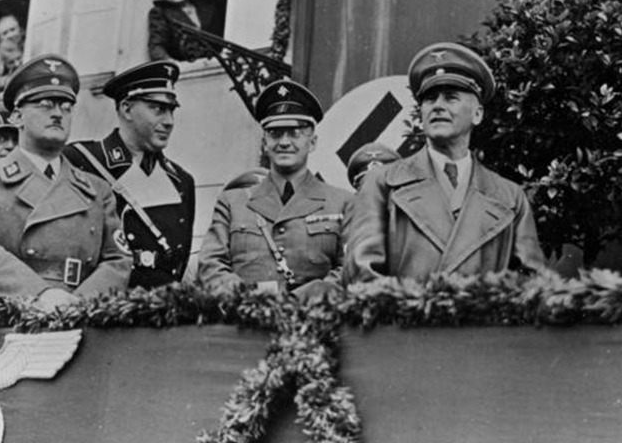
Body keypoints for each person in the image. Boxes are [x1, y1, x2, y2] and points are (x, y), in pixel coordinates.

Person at [344, 42, 546, 284]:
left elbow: (530, 283)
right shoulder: (382, 183)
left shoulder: (509, 197)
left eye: (451, 98)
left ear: (477, 114)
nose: (438, 105)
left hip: (482, 310)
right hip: (401, 309)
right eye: (430, 99)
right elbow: (362, 274)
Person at [0, 54, 132, 308]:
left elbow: (118, 261)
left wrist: (77, 305)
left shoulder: (98, 190)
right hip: (15, 312)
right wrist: (41, 295)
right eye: (45, 104)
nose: (58, 114)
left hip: (84, 312)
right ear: (17, 117)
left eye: (66, 107)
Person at [197, 79, 353, 299]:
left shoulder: (343, 203)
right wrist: (256, 298)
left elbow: (351, 270)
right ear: (264, 143)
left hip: (315, 317)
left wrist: (299, 300)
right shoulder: (232, 202)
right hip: (244, 316)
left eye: (295, 132)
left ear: (313, 142)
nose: (284, 142)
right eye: (275, 133)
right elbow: (210, 267)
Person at [65, 60, 195, 289]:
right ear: (126, 109)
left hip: (160, 304)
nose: (169, 121)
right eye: (158, 109)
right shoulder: (82, 161)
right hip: (98, 300)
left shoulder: (182, 181)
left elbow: (178, 263)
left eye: (171, 110)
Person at [147, 0, 221, 64]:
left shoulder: (206, 9)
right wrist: (172, 64)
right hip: (184, 68)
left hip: (212, 65)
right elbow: (156, 46)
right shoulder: (161, 13)